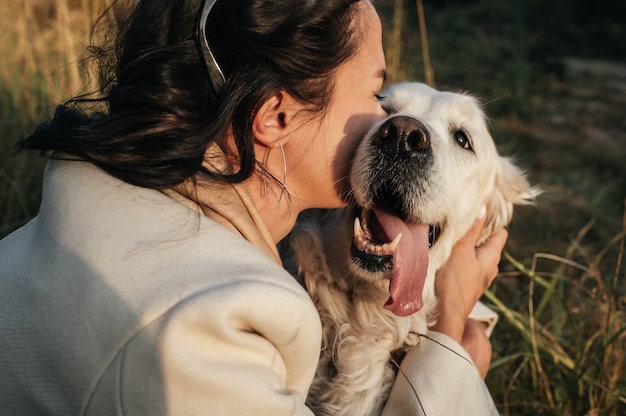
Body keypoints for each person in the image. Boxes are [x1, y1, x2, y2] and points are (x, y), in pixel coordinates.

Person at [0, 0, 507, 414]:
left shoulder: (86, 207)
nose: (391, 128)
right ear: (276, 116)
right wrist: (453, 350)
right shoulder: (211, 325)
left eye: (460, 138)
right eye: (378, 96)